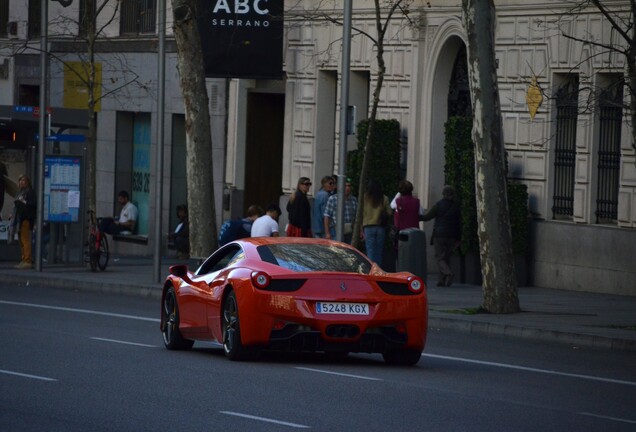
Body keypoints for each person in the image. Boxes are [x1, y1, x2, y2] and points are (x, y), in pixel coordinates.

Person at [421, 185, 461, 287]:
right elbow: (459, 223)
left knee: (439, 258)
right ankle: (441, 280)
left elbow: (427, 217)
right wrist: (458, 238)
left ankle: (448, 273)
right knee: (446, 257)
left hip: (439, 234)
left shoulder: (438, 205)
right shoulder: (456, 206)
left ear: (443, 194)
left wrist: (416, 216)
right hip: (452, 235)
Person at [361, 179, 392, 265]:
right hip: (380, 226)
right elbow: (389, 212)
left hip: (368, 227)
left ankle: (371, 269)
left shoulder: (364, 198)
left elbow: (361, 214)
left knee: (370, 251)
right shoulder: (384, 198)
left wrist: (361, 229)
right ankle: (378, 270)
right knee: (379, 251)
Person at [11, 174, 36, 269]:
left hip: (26, 218)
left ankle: (27, 260)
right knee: (21, 240)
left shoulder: (30, 192)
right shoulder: (20, 192)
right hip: (19, 218)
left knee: (25, 240)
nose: (22, 182)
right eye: (20, 180)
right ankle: (24, 258)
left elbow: (33, 204)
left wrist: (23, 202)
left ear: (28, 182)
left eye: (24, 180)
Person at [323, 178, 358, 244]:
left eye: (349, 186)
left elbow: (357, 217)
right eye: (345, 186)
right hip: (336, 230)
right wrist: (327, 233)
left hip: (350, 231)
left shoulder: (354, 200)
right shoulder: (333, 199)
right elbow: (327, 216)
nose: (347, 188)